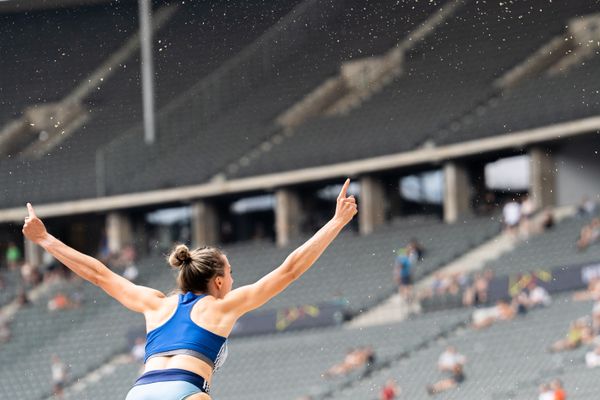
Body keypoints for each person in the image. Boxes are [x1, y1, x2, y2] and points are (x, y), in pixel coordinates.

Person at [22, 179, 358, 400]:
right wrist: (336, 222)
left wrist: (46, 240)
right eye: (231, 273)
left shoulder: (155, 304)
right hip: (186, 392)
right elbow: (291, 269)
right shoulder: (222, 307)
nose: (234, 280)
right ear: (218, 282)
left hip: (139, 393)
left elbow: (99, 274)